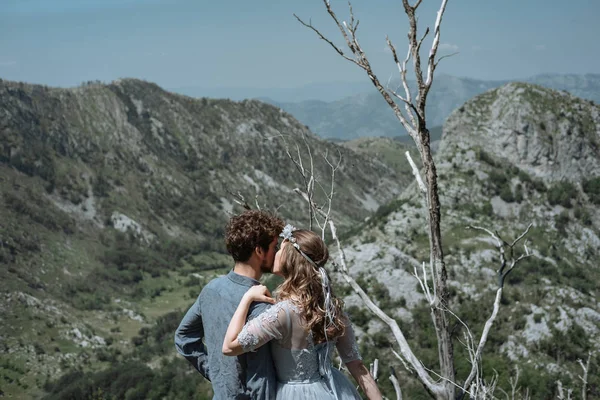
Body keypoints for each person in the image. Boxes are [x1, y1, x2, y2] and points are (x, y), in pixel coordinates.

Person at [222, 225, 382, 400]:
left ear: (291, 259)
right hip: (334, 390)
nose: (275, 253)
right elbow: (357, 366)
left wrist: (246, 299)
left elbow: (229, 347)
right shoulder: (332, 308)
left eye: (280, 249)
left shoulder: (283, 312)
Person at [174, 210, 285, 400]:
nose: (276, 254)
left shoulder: (211, 289)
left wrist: (217, 374)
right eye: (274, 247)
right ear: (259, 251)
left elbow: (183, 337)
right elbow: (261, 376)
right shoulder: (262, 303)